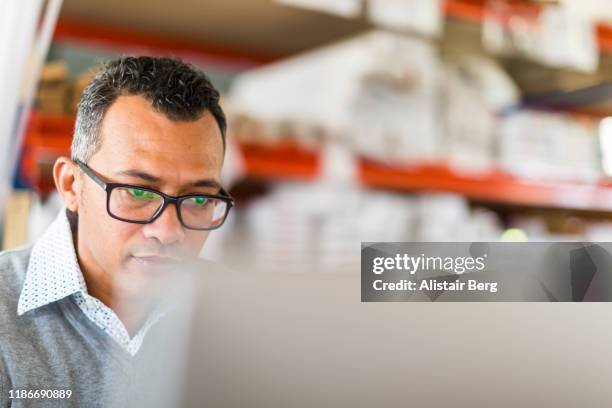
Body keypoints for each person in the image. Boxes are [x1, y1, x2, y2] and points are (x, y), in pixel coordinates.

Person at [0, 56, 233, 407]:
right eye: (138, 192)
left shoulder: (240, 317)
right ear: (71, 185)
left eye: (198, 199)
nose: (168, 232)